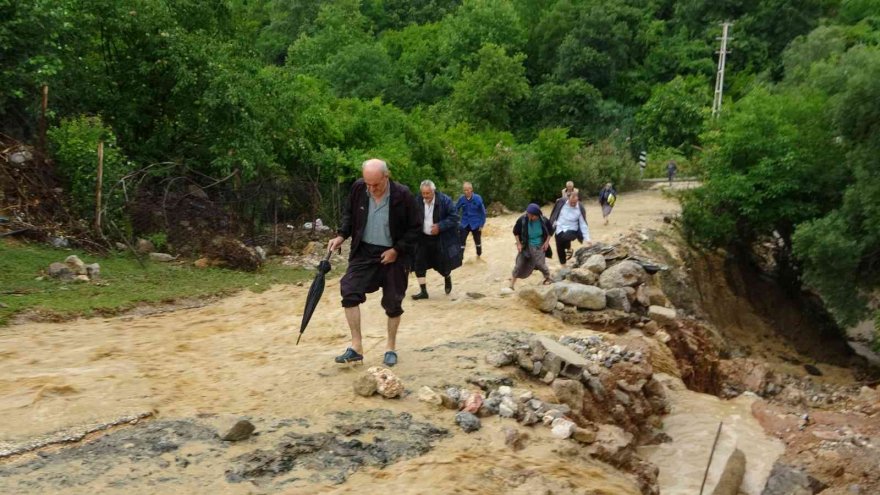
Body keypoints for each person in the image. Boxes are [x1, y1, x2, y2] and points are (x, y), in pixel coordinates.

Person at [327, 159, 421, 367]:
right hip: (365, 251)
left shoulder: (402, 195)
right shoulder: (359, 188)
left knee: (393, 302)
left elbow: (415, 228)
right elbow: (349, 215)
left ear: (386, 177)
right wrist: (341, 235)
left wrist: (397, 250)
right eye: (368, 183)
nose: (371, 188)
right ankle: (356, 347)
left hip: (394, 253)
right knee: (349, 290)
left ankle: (390, 347)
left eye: (376, 184)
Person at [412, 180, 462, 300]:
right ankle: (423, 291)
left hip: (440, 239)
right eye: (423, 193)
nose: (425, 196)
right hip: (422, 238)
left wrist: (440, 226)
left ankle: (447, 276)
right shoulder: (417, 200)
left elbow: (454, 217)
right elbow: (411, 215)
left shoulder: (445, 201)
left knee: (441, 264)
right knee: (418, 263)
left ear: (433, 191)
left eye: (428, 193)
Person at [510, 203, 553, 289]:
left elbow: (551, 231)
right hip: (526, 245)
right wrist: (518, 244)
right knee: (519, 264)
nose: (530, 217)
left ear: (537, 215)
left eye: (532, 216)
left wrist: (546, 242)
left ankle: (548, 278)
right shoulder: (522, 220)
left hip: (539, 246)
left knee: (540, 264)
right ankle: (511, 285)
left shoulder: (544, 220)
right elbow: (515, 232)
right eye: (528, 215)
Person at [549, 191, 590, 265]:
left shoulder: (580, 208)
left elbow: (583, 224)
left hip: (573, 229)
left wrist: (587, 238)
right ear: (568, 198)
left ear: (578, 199)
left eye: (575, 202)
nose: (573, 204)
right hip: (560, 227)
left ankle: (568, 248)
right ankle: (563, 264)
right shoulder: (561, 202)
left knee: (565, 237)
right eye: (572, 202)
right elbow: (555, 213)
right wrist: (552, 225)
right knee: (559, 247)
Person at [455, 181, 486, 259]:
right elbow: (455, 209)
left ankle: (479, 255)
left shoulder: (478, 198)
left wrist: (481, 225)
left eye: (467, 190)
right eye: (464, 190)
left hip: (476, 224)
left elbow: (483, 213)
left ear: (471, 189)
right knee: (461, 241)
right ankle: (460, 258)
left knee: (477, 242)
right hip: (464, 223)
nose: (466, 192)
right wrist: (457, 221)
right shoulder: (461, 199)